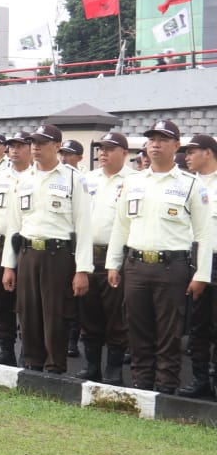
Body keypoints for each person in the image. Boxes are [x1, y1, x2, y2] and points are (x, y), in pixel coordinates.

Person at [107, 119, 211, 394]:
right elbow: (121, 225)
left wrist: (201, 275)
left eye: (163, 139)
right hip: (136, 265)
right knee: (137, 329)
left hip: (172, 268)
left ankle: (166, 389)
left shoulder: (191, 185)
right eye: (152, 139)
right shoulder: (133, 182)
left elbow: (204, 234)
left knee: (168, 333)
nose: (155, 144)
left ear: (176, 146)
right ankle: (141, 385)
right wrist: (112, 264)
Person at [1, 124, 93, 374]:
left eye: (42, 142)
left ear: (56, 146)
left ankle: (54, 368)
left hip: (57, 256)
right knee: (27, 313)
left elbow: (84, 227)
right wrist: (9, 266)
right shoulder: (23, 180)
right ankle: (31, 364)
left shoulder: (74, 179)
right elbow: (13, 226)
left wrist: (82, 269)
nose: (36, 147)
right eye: (33, 142)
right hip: (28, 253)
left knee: (55, 316)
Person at [77, 131, 132, 384]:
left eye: (110, 149)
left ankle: (114, 369)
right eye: (101, 149)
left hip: (117, 257)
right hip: (89, 255)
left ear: (125, 153)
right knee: (89, 314)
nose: (103, 153)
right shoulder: (88, 179)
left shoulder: (134, 180)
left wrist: (117, 262)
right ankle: (92, 367)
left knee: (116, 317)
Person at [0, 131, 33, 365]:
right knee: (1, 302)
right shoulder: (0, 178)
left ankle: (28, 351)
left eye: (19, 145)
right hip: (1, 243)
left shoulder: (36, 176)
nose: (13, 150)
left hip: (27, 246)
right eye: (11, 146)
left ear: (30, 148)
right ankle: (6, 351)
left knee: (26, 302)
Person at [179, 133, 217, 397]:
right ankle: (200, 378)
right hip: (192, 258)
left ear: (209, 152)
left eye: (192, 151)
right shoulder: (185, 183)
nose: (187, 157)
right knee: (197, 325)